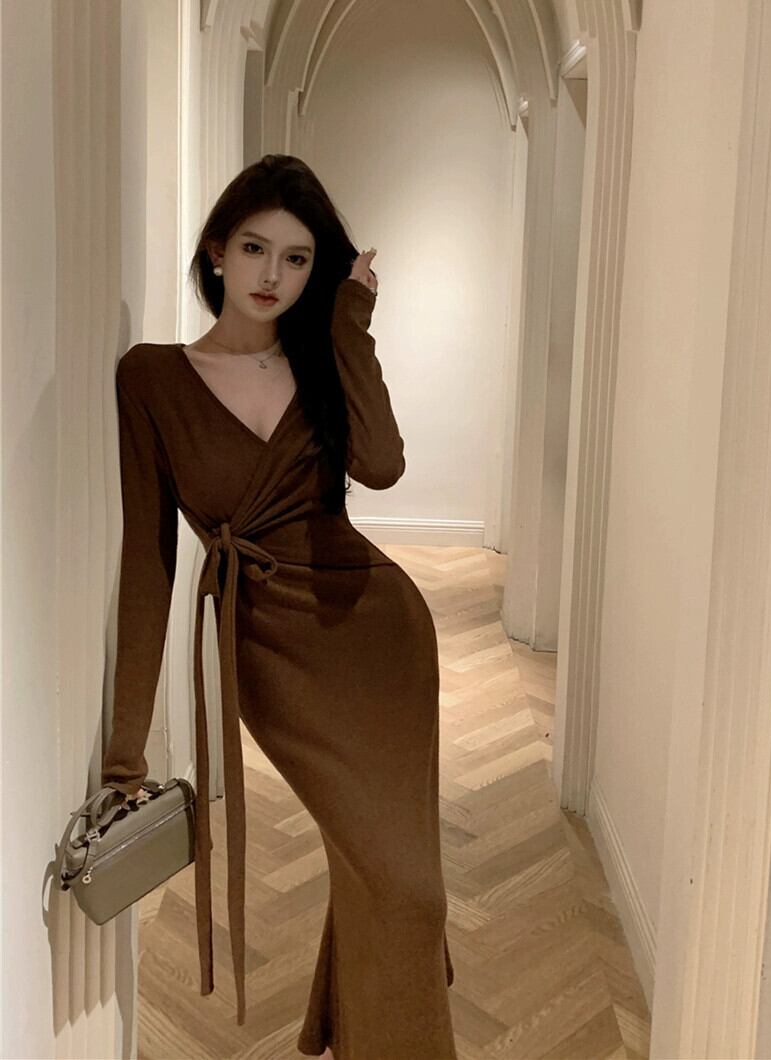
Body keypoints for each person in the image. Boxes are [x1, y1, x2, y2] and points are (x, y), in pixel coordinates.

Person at [100, 154, 457, 1059]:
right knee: (401, 884)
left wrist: (353, 320)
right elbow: (148, 562)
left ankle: (364, 1032)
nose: (272, 275)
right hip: (270, 655)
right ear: (217, 251)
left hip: (380, 637)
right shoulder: (151, 378)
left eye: (297, 259)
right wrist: (124, 755)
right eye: (255, 248)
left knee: (395, 881)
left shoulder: (323, 358)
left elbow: (381, 466)